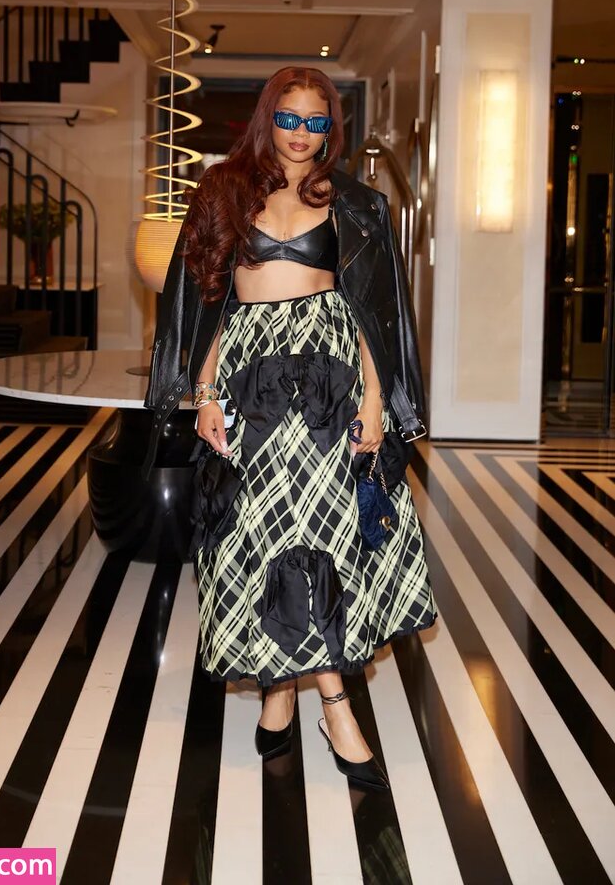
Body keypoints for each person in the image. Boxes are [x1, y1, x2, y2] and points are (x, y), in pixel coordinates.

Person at [143, 66, 436, 789]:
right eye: (289, 118)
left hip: (330, 380)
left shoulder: (356, 203)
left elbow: (372, 310)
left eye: (316, 121)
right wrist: (203, 393)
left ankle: (328, 706)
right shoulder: (222, 191)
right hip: (249, 381)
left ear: (330, 128)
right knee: (261, 533)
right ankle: (288, 692)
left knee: (319, 535)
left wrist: (375, 399)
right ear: (267, 118)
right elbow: (209, 302)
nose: (301, 133)